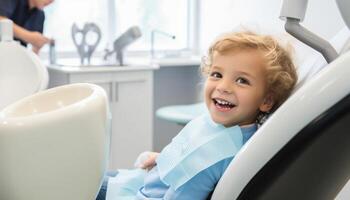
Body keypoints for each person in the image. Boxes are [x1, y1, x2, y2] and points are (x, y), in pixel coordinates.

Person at [96, 31, 298, 200]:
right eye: (217, 74)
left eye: (242, 80)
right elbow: (190, 152)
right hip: (144, 181)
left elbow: (189, 181)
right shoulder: (226, 128)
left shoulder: (214, 155)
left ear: (266, 101)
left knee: (76, 183)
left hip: (141, 194)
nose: (223, 87)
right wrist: (162, 159)